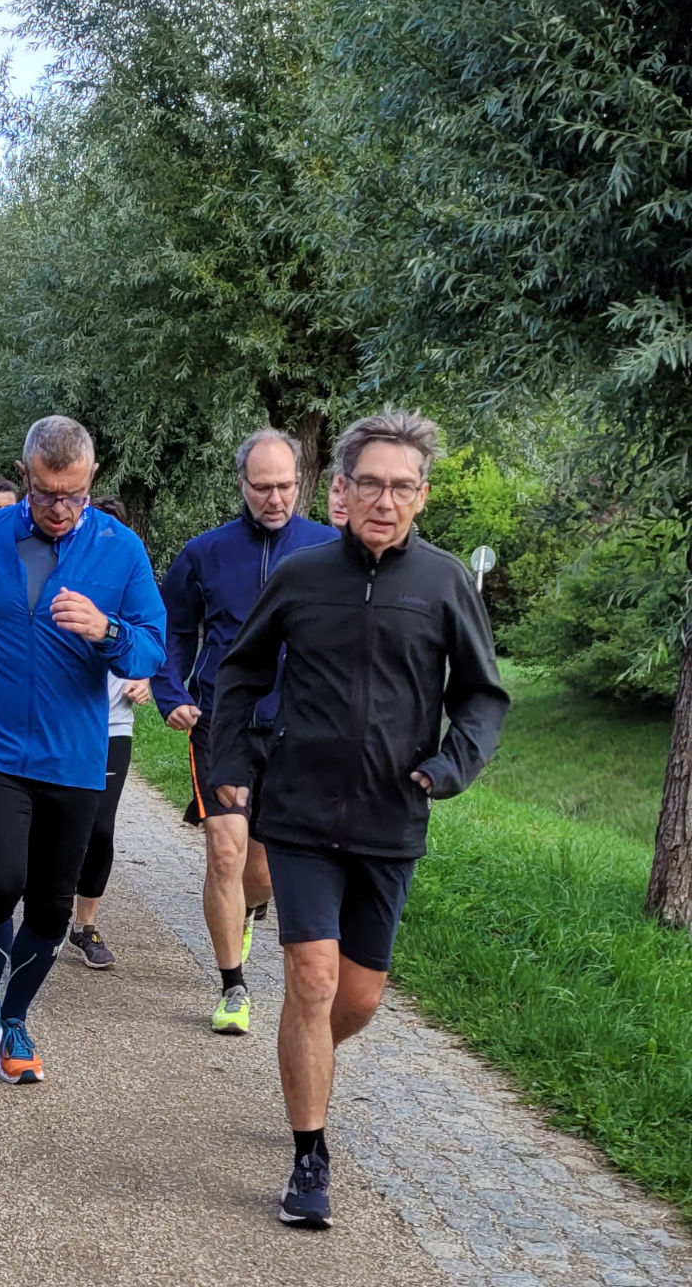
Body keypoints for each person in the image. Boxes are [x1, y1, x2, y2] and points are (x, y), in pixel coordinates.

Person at [208, 408, 509, 1230]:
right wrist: (229, 767)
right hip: (299, 811)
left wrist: (449, 768)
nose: (384, 499)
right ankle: (310, 1159)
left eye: (400, 486)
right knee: (312, 977)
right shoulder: (302, 577)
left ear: (421, 495)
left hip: (390, 816)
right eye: (368, 483)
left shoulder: (444, 583)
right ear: (341, 491)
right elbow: (239, 675)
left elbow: (482, 695)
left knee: (360, 999)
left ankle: (305, 1060)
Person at [0, 416, 166, 1088]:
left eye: (76, 494)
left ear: (91, 481)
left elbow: (152, 644)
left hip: (73, 753)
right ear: (25, 474)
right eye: (47, 494)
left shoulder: (120, 550)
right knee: (0, 879)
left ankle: (15, 1019)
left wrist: (109, 630)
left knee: (49, 908)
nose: (62, 509)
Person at [151, 430, 337, 1036]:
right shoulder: (205, 553)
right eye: (262, 486)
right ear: (242, 485)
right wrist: (172, 694)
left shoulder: (328, 548)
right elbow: (173, 630)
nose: (275, 497)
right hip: (221, 724)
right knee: (225, 850)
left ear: (300, 483)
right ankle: (233, 986)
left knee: (261, 866)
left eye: (285, 485)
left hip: (295, 729)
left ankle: (254, 906)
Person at [65, 495, 152, 971]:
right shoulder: (68, 578)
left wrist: (145, 678)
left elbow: (153, 643)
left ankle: (86, 924)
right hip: (65, 720)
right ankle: (49, 910)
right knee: (59, 822)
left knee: (100, 826)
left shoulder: (132, 581)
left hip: (114, 722)